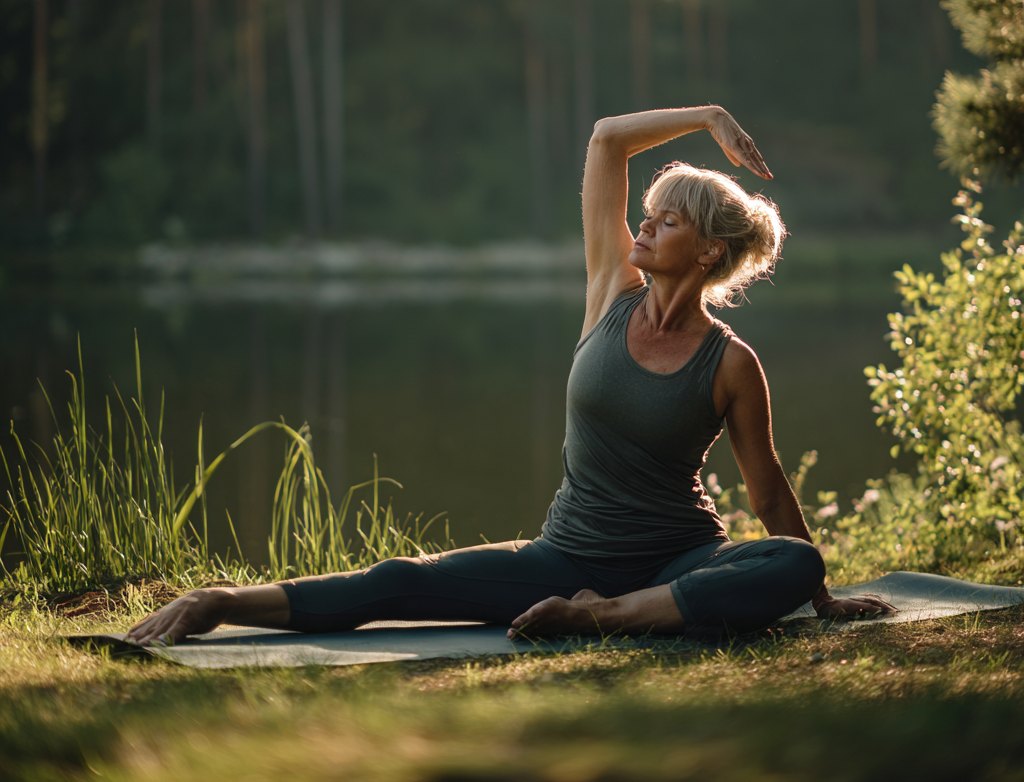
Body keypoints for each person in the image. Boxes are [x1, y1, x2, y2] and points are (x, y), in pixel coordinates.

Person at [127, 105, 894, 647]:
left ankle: (604, 617)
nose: (644, 227)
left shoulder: (729, 361)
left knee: (793, 559)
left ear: (706, 255)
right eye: (647, 212)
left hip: (679, 557)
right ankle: (220, 604)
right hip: (562, 557)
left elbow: (765, 488)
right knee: (401, 579)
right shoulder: (609, 292)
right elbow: (605, 141)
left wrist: (815, 595)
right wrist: (707, 116)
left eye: (666, 220)